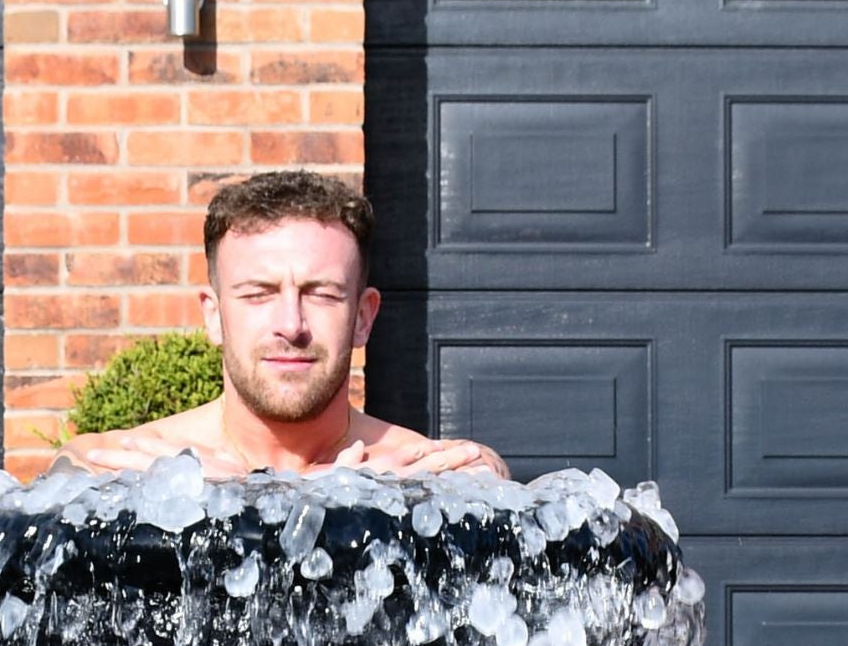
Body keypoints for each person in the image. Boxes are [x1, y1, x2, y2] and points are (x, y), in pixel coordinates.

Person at [50, 170, 510, 480]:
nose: (291, 325)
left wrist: (490, 471)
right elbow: (68, 466)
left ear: (363, 318)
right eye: (258, 294)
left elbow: (488, 479)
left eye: (322, 294)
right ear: (213, 315)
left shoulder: (410, 472)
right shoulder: (150, 464)